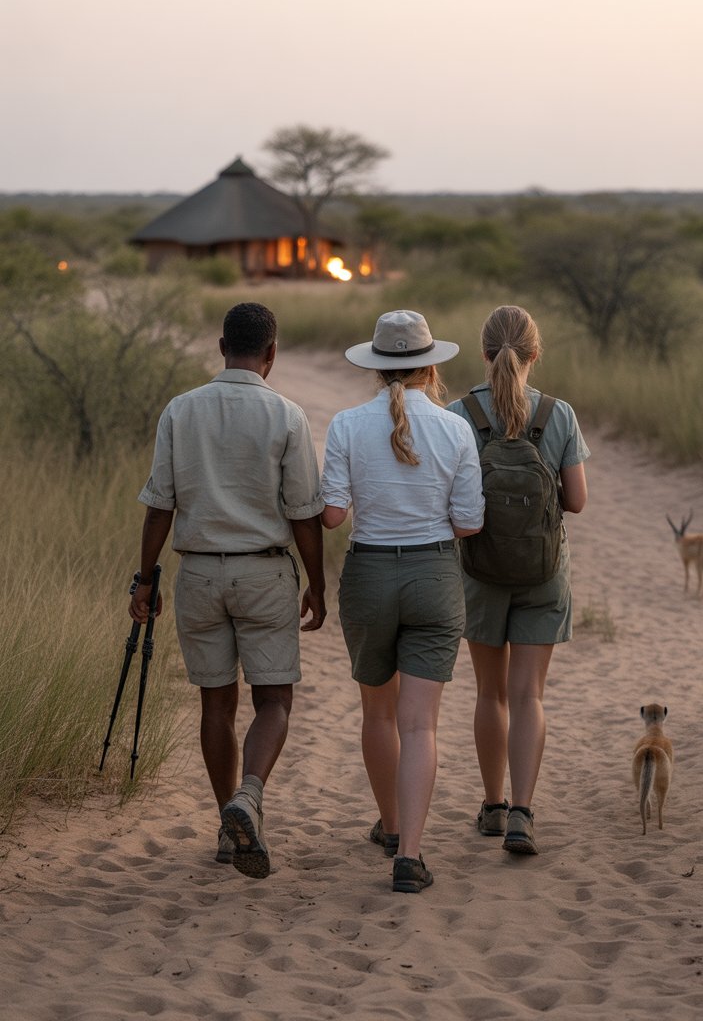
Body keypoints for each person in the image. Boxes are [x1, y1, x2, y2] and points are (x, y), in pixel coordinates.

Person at [132, 301, 326, 880]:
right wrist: (317, 583)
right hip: (265, 573)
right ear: (272, 353)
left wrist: (145, 579)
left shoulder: (180, 410)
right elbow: (303, 515)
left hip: (197, 575)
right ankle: (250, 796)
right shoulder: (287, 415)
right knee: (274, 702)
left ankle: (226, 822)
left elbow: (158, 505)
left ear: (221, 347)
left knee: (215, 704)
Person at [320, 309, 484, 894]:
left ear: (376, 368)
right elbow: (468, 524)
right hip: (434, 577)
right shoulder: (456, 429)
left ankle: (389, 826)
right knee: (420, 726)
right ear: (431, 369)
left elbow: (334, 517)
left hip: (368, 576)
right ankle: (409, 856)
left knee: (379, 714)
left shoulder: (344, 424)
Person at [447, 305, 589, 856]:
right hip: (544, 573)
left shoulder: (459, 415)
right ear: (535, 355)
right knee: (529, 694)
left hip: (480, 572)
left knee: (490, 692)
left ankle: (491, 805)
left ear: (484, 355)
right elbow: (575, 501)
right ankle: (523, 814)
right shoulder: (560, 414)